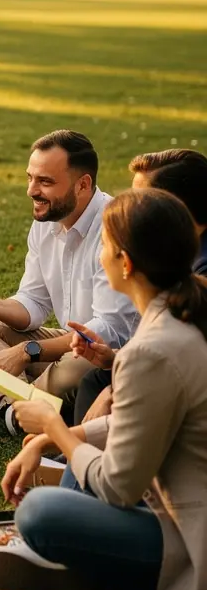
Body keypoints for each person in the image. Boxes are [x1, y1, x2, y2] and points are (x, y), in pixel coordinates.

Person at [0, 187, 207, 590]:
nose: (100, 257)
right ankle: (76, 563)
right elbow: (141, 421)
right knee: (75, 466)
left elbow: (118, 485)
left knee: (40, 511)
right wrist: (51, 439)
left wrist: (54, 429)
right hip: (173, 510)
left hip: (190, 546)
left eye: (106, 248)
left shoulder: (153, 349)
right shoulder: (179, 320)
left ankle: (81, 565)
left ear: (126, 263)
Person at [0, 130, 137, 420]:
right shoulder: (46, 221)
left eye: (45, 181)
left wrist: (28, 351)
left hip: (109, 356)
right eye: (30, 178)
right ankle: (20, 408)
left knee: (80, 366)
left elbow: (108, 330)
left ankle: (11, 400)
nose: (31, 191)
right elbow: (34, 303)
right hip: (67, 343)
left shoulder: (115, 227)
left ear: (83, 185)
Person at [72, 147, 207, 424]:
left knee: (93, 382)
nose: (131, 209)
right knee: (93, 378)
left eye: (141, 201)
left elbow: (183, 360)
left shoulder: (197, 271)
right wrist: (115, 358)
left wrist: (114, 389)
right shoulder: (175, 251)